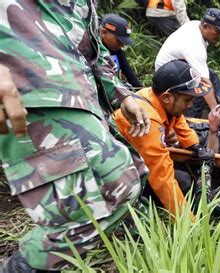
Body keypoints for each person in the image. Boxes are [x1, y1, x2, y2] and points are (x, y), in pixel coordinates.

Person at [0, 1, 151, 272]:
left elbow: (90, 46)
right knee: (112, 187)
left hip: (80, 92)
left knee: (131, 176)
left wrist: (121, 94)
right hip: (30, 83)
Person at [114, 60, 219, 216]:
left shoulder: (153, 96)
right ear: (167, 97)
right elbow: (163, 178)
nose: (190, 106)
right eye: (187, 100)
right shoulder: (146, 122)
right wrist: (188, 223)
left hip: (137, 160)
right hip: (119, 173)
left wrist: (194, 146)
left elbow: (178, 119)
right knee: (181, 181)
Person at [154, 8, 220, 119]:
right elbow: (205, 83)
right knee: (201, 90)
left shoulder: (196, 24)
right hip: (168, 76)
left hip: (177, 67)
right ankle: (193, 122)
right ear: (206, 26)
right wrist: (214, 109)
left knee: (212, 75)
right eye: (218, 31)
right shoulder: (195, 45)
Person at [100, 14, 142, 88]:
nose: (122, 46)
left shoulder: (115, 48)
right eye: (119, 41)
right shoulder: (88, 45)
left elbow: (128, 72)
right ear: (104, 33)